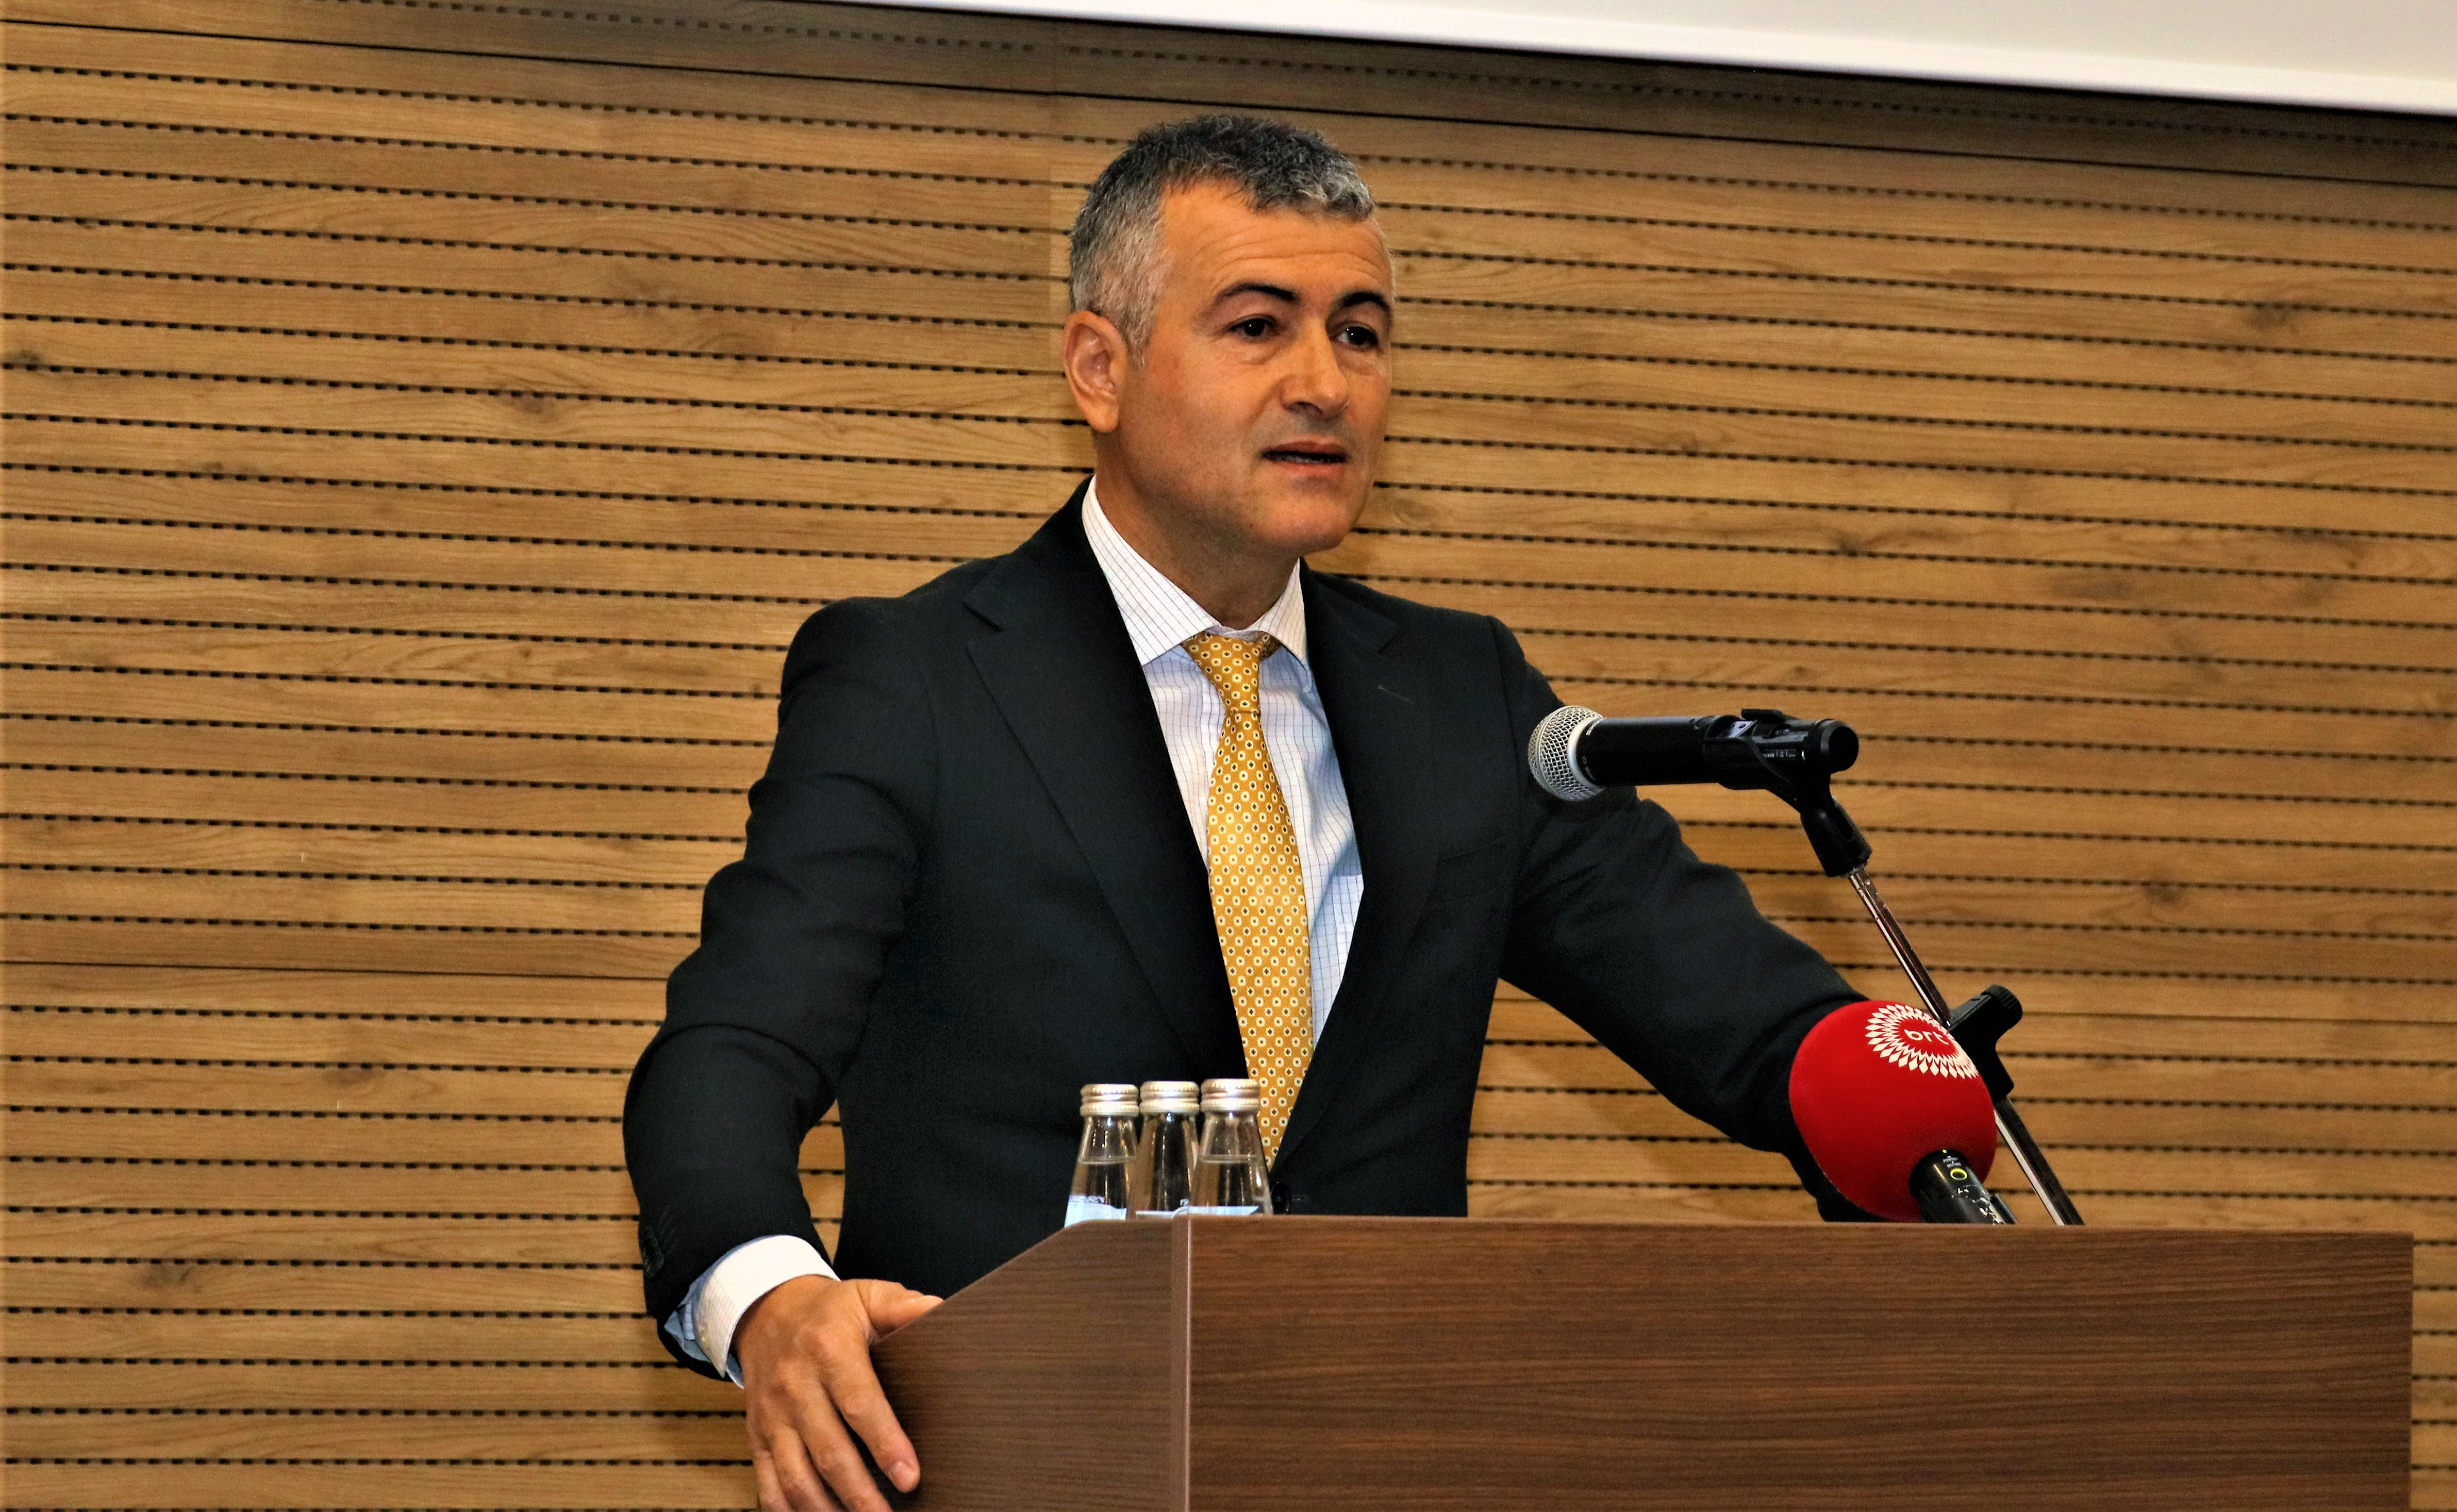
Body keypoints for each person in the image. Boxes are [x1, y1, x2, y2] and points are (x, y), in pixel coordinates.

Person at [622, 114, 1861, 1512]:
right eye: (1259, 327)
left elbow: (1749, 1021)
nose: (1324, 383)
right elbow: (734, 1046)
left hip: (1381, 1469)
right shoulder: (916, 679)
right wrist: (769, 1299)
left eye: (1362, 334)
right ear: (1099, 368)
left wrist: (1897, 1100)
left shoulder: (1460, 695)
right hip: (1015, 1466)